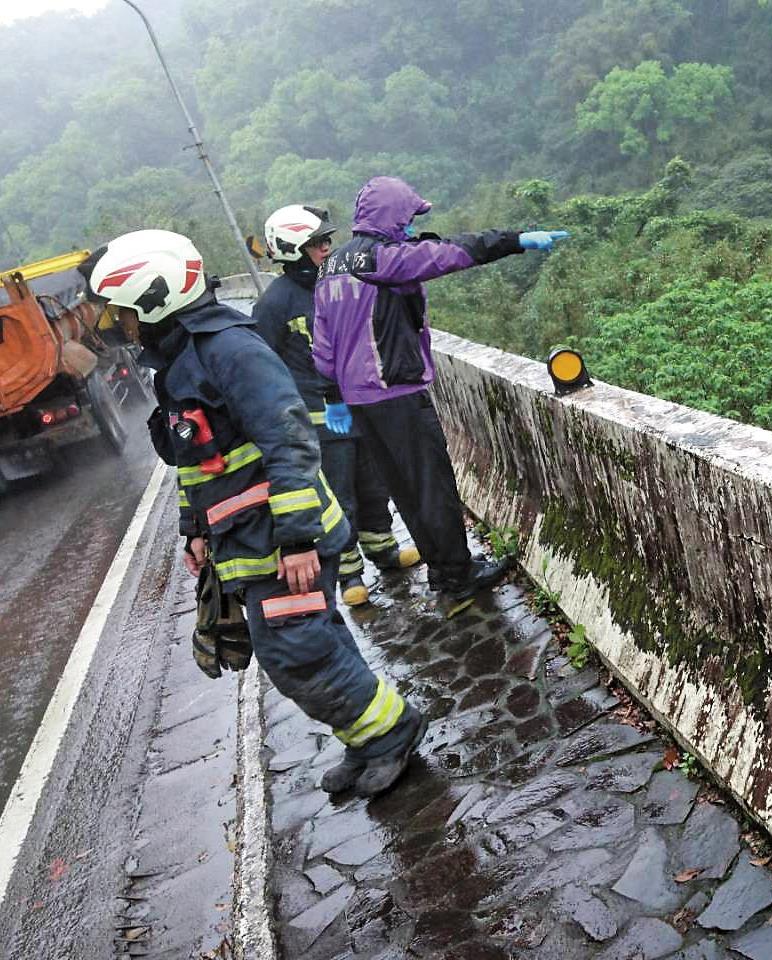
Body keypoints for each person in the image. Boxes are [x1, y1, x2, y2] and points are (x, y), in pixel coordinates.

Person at [81, 229, 425, 798]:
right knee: (314, 639)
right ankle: (367, 738)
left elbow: (289, 440)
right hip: (249, 540)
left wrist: (297, 538)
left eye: (119, 311)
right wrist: (195, 530)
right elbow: (197, 462)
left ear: (152, 298)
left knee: (294, 651)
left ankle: (390, 733)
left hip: (283, 538)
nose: (115, 324)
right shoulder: (180, 364)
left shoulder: (229, 350)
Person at [312, 175, 569, 616]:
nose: (412, 227)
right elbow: (452, 252)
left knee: (405, 490)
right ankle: (458, 578)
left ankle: (443, 570)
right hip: (396, 392)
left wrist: (333, 392)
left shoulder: (330, 266)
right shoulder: (385, 259)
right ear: (393, 217)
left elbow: (322, 344)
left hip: (361, 402)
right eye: (408, 218)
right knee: (433, 487)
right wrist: (516, 241)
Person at [252, 204, 420, 607]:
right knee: (339, 497)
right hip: (320, 423)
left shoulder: (339, 282)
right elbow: (264, 367)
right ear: (293, 251)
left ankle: (384, 549)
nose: (327, 248)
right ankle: (350, 574)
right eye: (317, 244)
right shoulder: (274, 305)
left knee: (374, 485)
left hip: (361, 407)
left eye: (327, 241)